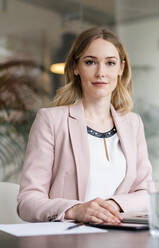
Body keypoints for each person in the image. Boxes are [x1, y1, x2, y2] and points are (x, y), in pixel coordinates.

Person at [17, 27, 152, 224]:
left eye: (110, 63)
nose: (101, 73)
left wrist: (114, 205)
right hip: (67, 240)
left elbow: (147, 193)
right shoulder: (50, 121)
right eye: (90, 62)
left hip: (121, 237)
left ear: (121, 69)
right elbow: (27, 201)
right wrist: (75, 210)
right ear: (75, 67)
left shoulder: (133, 124)